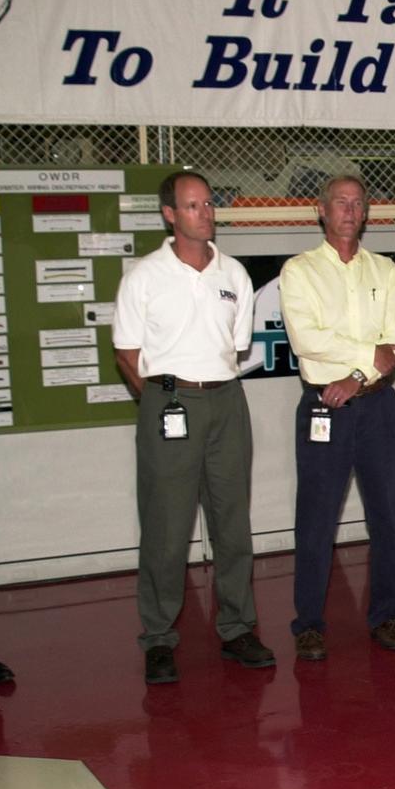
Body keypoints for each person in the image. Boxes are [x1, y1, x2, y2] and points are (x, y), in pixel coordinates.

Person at [114, 170, 274, 685]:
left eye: (208, 204)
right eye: (192, 206)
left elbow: (239, 345)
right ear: (169, 215)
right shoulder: (144, 276)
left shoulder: (234, 275)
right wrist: (164, 398)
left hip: (226, 401)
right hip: (168, 401)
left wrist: (205, 391)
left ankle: (237, 628)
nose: (205, 213)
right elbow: (127, 353)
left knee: (232, 521)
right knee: (166, 526)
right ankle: (159, 638)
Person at [279, 175, 395, 661]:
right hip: (324, 408)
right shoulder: (299, 272)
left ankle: (388, 613)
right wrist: (363, 359)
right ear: (321, 210)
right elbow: (308, 340)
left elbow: (394, 345)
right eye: (341, 203)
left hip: (377, 407)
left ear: (367, 212)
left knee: (385, 517)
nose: (350, 211)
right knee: (315, 521)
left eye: (358, 203)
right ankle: (309, 623)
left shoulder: (386, 272)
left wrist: (355, 377)